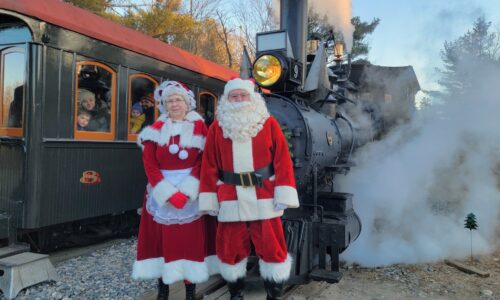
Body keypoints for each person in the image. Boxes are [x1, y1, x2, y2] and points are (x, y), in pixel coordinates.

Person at [199, 78, 300, 300]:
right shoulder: (217, 127)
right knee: (230, 246)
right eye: (234, 96)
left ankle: (273, 294)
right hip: (230, 194)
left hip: (264, 192)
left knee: (272, 245)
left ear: (252, 98)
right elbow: (209, 165)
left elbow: (282, 159)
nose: (239, 100)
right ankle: (236, 294)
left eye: (243, 96)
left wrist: (283, 191)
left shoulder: (269, 123)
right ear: (227, 99)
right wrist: (210, 198)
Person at [132, 81, 218, 300]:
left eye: (178, 100)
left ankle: (190, 291)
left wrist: (188, 190)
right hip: (161, 194)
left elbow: (205, 160)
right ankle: (163, 289)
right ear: (163, 104)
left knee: (190, 243)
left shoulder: (200, 127)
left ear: (187, 103)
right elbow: (149, 163)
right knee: (163, 243)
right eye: (169, 101)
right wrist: (167, 193)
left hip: (191, 194)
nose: (174, 104)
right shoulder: (155, 130)